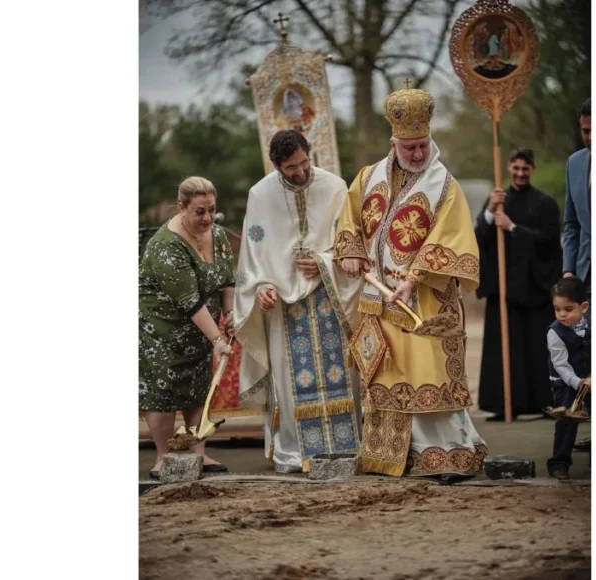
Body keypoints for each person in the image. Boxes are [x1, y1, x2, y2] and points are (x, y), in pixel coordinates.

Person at [335, 86, 487, 484]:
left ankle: (443, 455)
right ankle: (389, 456)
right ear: (394, 144)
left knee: (426, 373)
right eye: (410, 147)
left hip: (426, 303)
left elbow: (451, 239)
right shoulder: (367, 178)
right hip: (378, 302)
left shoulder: (445, 186)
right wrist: (351, 251)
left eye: (422, 145)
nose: (418, 154)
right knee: (387, 374)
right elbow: (349, 220)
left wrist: (415, 278)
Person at [233, 130, 363, 474]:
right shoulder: (260, 195)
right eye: (291, 167)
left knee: (339, 373)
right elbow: (253, 253)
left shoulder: (335, 187)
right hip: (284, 307)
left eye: (304, 162)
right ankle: (296, 451)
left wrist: (324, 262)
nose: (301, 171)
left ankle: (344, 447)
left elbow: (351, 242)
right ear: (276, 166)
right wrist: (261, 287)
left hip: (329, 297)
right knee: (291, 382)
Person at [139, 176, 236, 479]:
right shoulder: (165, 246)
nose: (207, 218)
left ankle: (198, 454)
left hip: (200, 329)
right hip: (162, 330)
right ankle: (163, 457)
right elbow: (190, 301)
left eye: (212, 210)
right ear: (182, 208)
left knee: (198, 387)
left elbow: (227, 280)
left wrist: (230, 313)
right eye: (199, 211)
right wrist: (217, 338)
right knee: (163, 392)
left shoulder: (218, 235)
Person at [475, 147, 562, 420]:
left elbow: (549, 242)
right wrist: (490, 212)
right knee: (504, 350)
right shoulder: (497, 201)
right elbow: (480, 236)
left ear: (532, 169)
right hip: (503, 289)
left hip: (534, 289)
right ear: (509, 168)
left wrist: (513, 228)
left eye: (525, 169)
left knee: (536, 348)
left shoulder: (545, 203)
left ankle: (541, 403)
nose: (520, 173)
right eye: (516, 168)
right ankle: (504, 405)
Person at [563, 97, 592, 453]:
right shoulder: (575, 163)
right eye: (585, 130)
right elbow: (571, 224)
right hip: (586, 273)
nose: (590, 138)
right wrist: (569, 269)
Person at [544, 277, 591, 480]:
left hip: (590, 379)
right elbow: (560, 364)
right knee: (566, 422)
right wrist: (578, 382)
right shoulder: (555, 333)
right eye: (557, 309)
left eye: (568, 309)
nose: (562, 314)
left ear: (584, 307)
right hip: (566, 383)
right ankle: (559, 463)